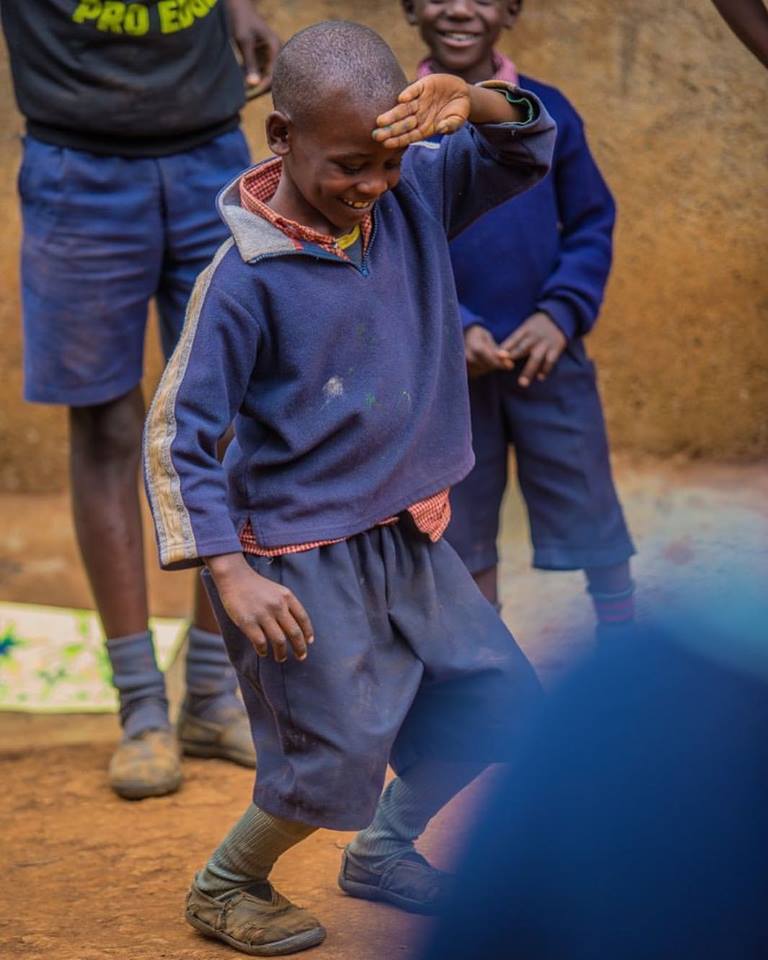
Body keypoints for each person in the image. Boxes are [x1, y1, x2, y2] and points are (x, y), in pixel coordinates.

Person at [143, 19, 555, 955]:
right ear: (281, 136)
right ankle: (226, 884)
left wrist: (472, 101)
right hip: (300, 556)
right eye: (348, 166)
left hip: (407, 529)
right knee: (331, 755)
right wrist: (229, 573)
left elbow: (527, 150)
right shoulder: (243, 279)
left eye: (389, 162)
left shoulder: (413, 197)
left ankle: (384, 849)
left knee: (497, 702)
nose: (371, 185)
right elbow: (176, 436)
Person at [2, 0, 280, 800]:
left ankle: (211, 691)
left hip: (209, 150)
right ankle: (141, 709)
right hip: (75, 162)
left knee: (229, 413)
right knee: (105, 424)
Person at [402, 0, 636, 637]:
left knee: (589, 501)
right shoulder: (401, 119)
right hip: (449, 370)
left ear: (511, 11)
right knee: (462, 526)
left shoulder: (545, 110)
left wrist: (561, 314)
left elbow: (591, 222)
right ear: (410, 8)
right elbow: (393, 242)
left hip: (547, 354)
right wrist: (454, 324)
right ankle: (490, 669)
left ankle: (621, 642)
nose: (459, 9)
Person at [420, 581, 768, 959]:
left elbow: (488, 921)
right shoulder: (662, 678)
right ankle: (386, 840)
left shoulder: (643, 679)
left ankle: (386, 839)